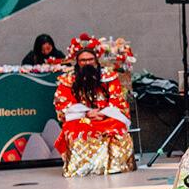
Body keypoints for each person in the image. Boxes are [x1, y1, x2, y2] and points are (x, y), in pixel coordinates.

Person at [54, 47, 133, 177]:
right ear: (77, 62)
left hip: (106, 116)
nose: (87, 63)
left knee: (117, 126)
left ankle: (114, 166)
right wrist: (86, 113)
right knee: (73, 129)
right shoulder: (68, 80)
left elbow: (118, 99)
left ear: (96, 61)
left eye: (90, 59)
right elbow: (63, 103)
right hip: (80, 117)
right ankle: (81, 167)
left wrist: (103, 113)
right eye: (83, 60)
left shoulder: (109, 76)